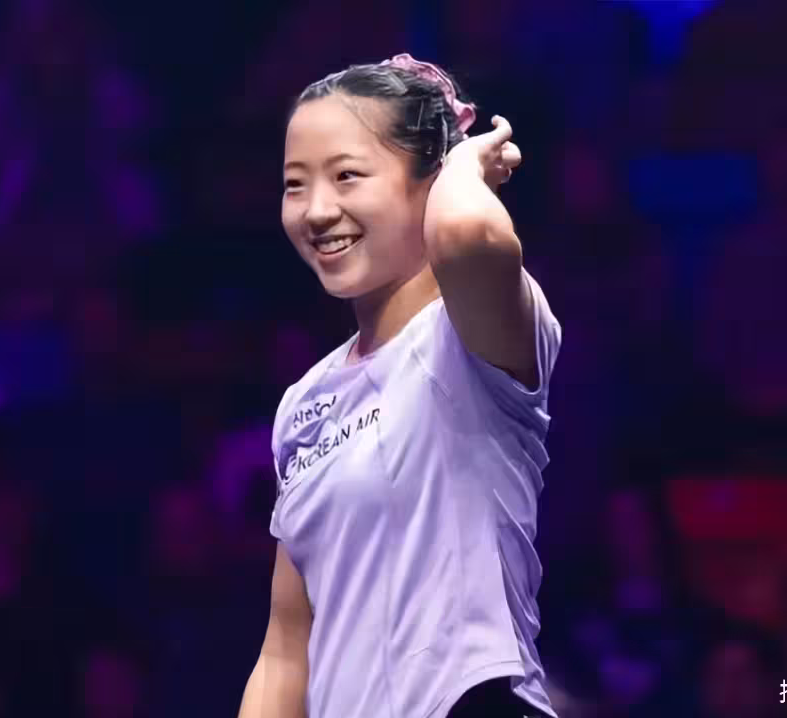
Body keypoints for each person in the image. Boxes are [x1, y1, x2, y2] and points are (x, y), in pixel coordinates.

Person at [237, 53, 562, 718]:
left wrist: (465, 163)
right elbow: (285, 650)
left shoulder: (472, 333)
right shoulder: (304, 402)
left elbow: (466, 232)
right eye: (296, 185)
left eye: (347, 176)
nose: (317, 211)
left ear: (431, 179)